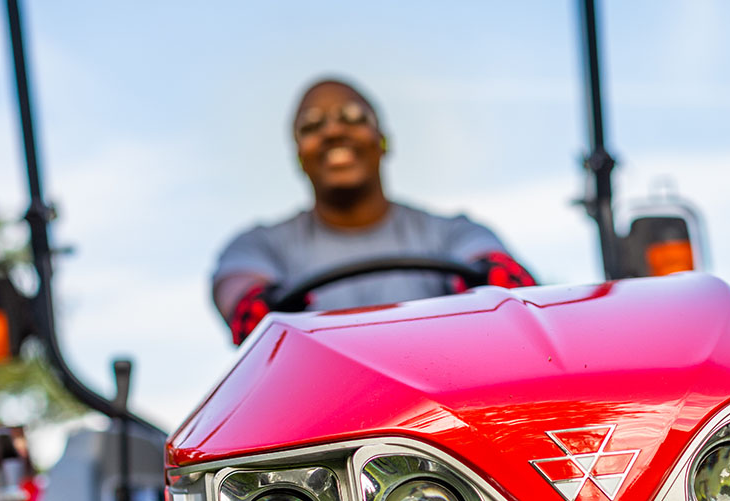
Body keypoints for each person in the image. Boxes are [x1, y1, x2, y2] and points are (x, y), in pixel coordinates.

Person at [212, 78, 536, 344]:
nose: (334, 132)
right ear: (298, 156)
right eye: (311, 127)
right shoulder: (258, 246)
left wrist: (496, 283)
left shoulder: (452, 232)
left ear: (383, 141)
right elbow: (239, 293)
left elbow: (503, 279)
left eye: (353, 117)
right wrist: (253, 303)